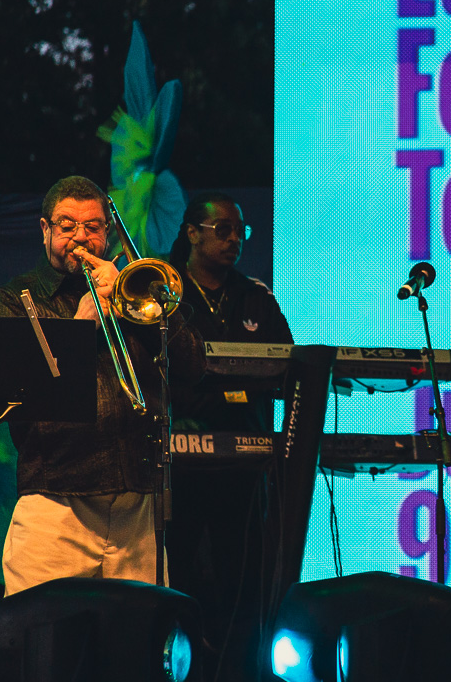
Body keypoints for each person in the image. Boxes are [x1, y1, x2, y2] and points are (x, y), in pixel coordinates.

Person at [0, 175, 205, 595]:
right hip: (56, 504)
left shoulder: (132, 290)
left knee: (138, 635)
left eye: (93, 226)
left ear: (108, 231)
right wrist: (80, 329)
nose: (80, 237)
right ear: (45, 230)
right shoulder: (16, 299)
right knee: (46, 632)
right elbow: (15, 397)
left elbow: (193, 365)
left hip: (137, 506)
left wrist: (135, 302)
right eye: (67, 225)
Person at [164, 191, 292, 682]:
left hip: (245, 467)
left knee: (244, 582)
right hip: (182, 467)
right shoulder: (164, 292)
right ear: (192, 233)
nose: (235, 238)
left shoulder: (256, 297)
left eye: (241, 231)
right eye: (224, 229)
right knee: (180, 574)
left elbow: (286, 367)